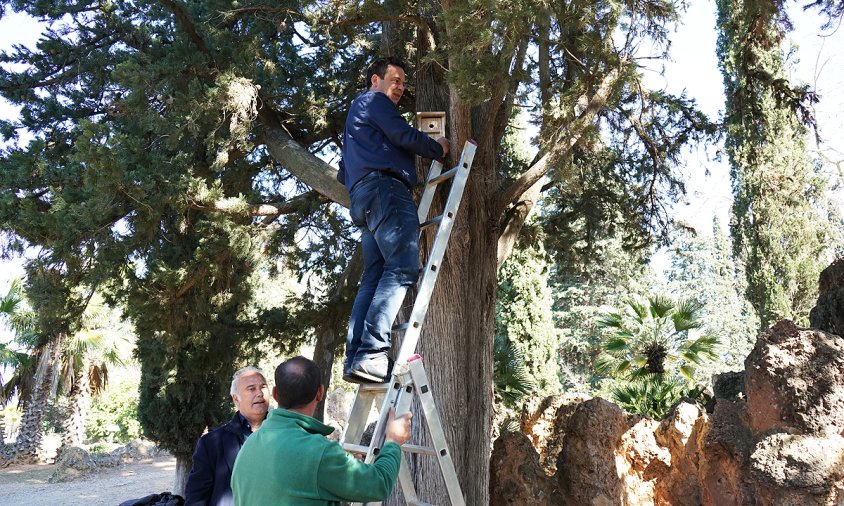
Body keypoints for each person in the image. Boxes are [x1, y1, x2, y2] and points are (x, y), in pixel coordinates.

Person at [337, 56, 450, 383]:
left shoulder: (355, 123)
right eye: (394, 80)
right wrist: (437, 146)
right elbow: (402, 134)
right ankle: (372, 353)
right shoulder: (374, 101)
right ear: (375, 80)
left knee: (373, 276)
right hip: (386, 192)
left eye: (403, 82)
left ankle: (356, 358)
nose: (400, 87)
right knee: (401, 267)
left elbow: (344, 171)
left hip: (365, 199)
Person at [231, 356, 412, 505]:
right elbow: (378, 484)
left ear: (276, 394)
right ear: (320, 393)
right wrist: (393, 441)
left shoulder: (249, 446)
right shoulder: (318, 452)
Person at [183, 366, 270, 506]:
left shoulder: (285, 435)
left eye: (263, 387)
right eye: (251, 388)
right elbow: (196, 498)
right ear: (236, 399)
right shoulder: (211, 444)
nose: (259, 393)